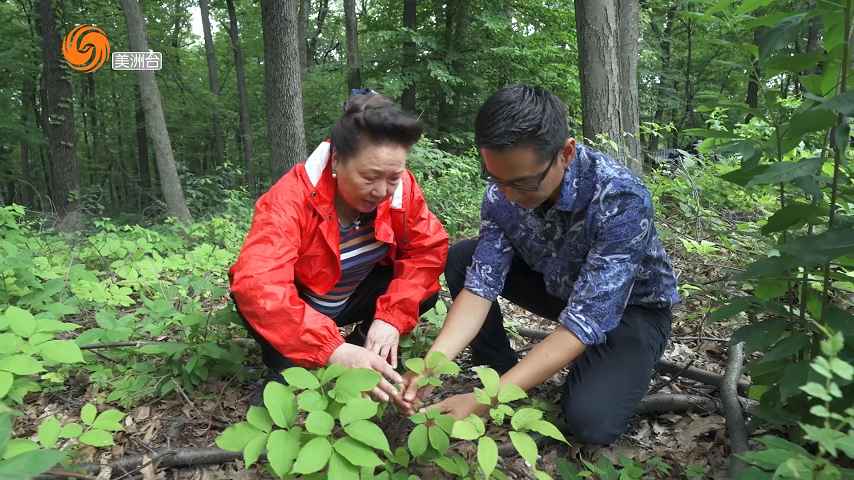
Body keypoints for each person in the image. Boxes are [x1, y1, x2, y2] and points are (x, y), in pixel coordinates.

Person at [399, 85, 679, 445]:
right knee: (464, 259)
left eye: (523, 183)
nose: (508, 195)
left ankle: (575, 371)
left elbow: (585, 321)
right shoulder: (502, 192)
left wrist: (485, 402)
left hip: (632, 311)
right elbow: (481, 285)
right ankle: (500, 371)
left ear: (565, 153)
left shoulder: (620, 196)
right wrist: (429, 368)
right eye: (496, 180)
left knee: (592, 423)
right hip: (560, 287)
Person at [230, 92, 449, 403]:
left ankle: (364, 346)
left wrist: (390, 318)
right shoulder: (292, 198)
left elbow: (427, 252)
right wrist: (331, 347)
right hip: (301, 304)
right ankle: (303, 359)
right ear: (335, 161)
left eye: (393, 179)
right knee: (293, 381)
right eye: (369, 177)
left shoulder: (403, 189)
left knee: (424, 290)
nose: (381, 191)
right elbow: (258, 285)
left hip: (352, 294)